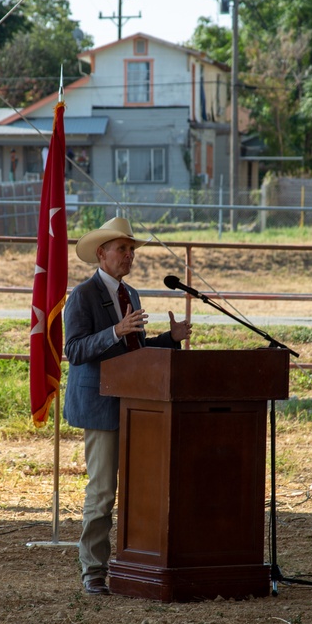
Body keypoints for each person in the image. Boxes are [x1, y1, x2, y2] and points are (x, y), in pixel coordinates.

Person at [63, 216, 192, 596]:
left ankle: (137, 563)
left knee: (140, 488)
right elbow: (73, 350)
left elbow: (135, 351)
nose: (129, 256)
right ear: (101, 254)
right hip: (101, 405)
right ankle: (93, 570)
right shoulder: (83, 296)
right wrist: (115, 331)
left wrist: (169, 339)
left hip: (137, 405)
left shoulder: (130, 295)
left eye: (131, 250)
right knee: (103, 491)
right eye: (122, 249)